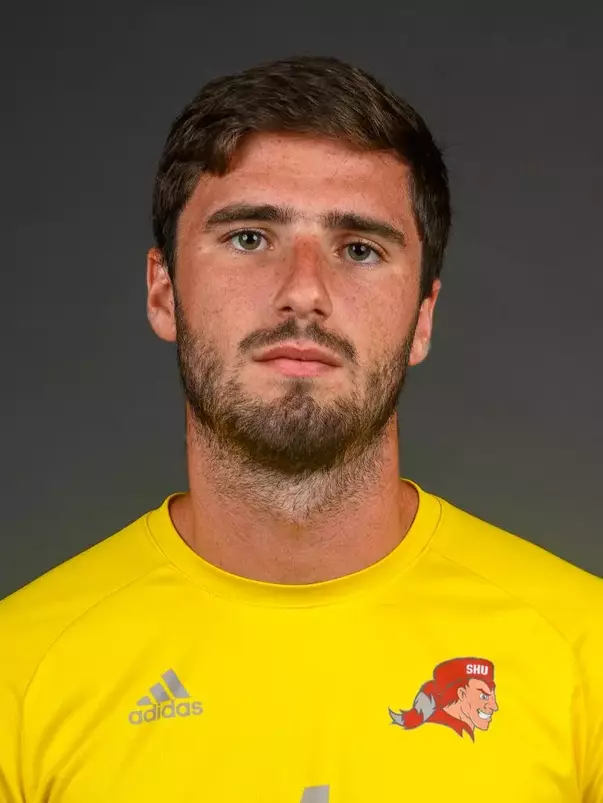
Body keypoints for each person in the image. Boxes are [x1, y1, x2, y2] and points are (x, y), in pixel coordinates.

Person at [0, 55, 601, 803]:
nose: (303, 293)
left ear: (422, 318)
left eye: (359, 249)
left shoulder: (584, 657)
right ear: (163, 291)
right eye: (250, 237)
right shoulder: (18, 673)